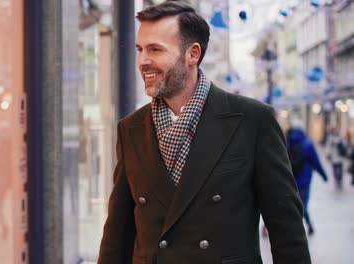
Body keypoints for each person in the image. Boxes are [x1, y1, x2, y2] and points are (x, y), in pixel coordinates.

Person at [98, 2, 310, 263]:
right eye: (140, 49)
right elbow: (116, 237)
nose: (143, 61)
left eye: (155, 49)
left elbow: (287, 233)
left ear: (192, 54)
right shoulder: (130, 129)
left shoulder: (254, 121)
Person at [287, 126, 328, 235]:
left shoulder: (287, 144)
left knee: (295, 204)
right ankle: (303, 226)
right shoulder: (307, 145)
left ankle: (305, 225)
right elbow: (316, 162)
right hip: (305, 181)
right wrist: (323, 175)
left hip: (291, 181)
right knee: (303, 205)